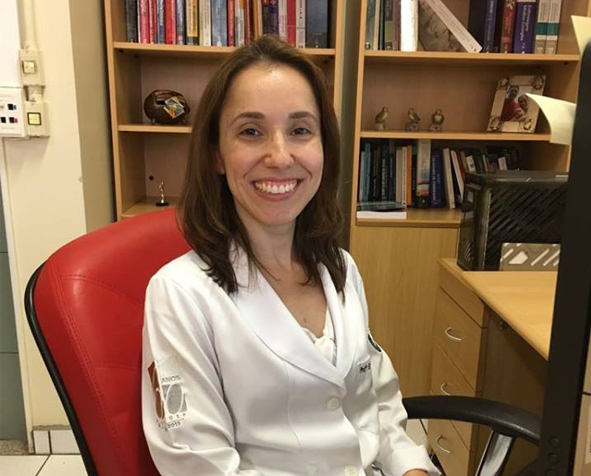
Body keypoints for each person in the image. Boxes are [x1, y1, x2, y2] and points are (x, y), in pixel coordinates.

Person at [142, 35, 440, 476]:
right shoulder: (179, 295)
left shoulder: (338, 267)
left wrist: (411, 467)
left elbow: (376, 399)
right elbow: (197, 463)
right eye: (250, 131)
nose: (280, 156)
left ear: (323, 147)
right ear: (216, 155)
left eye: (301, 130)